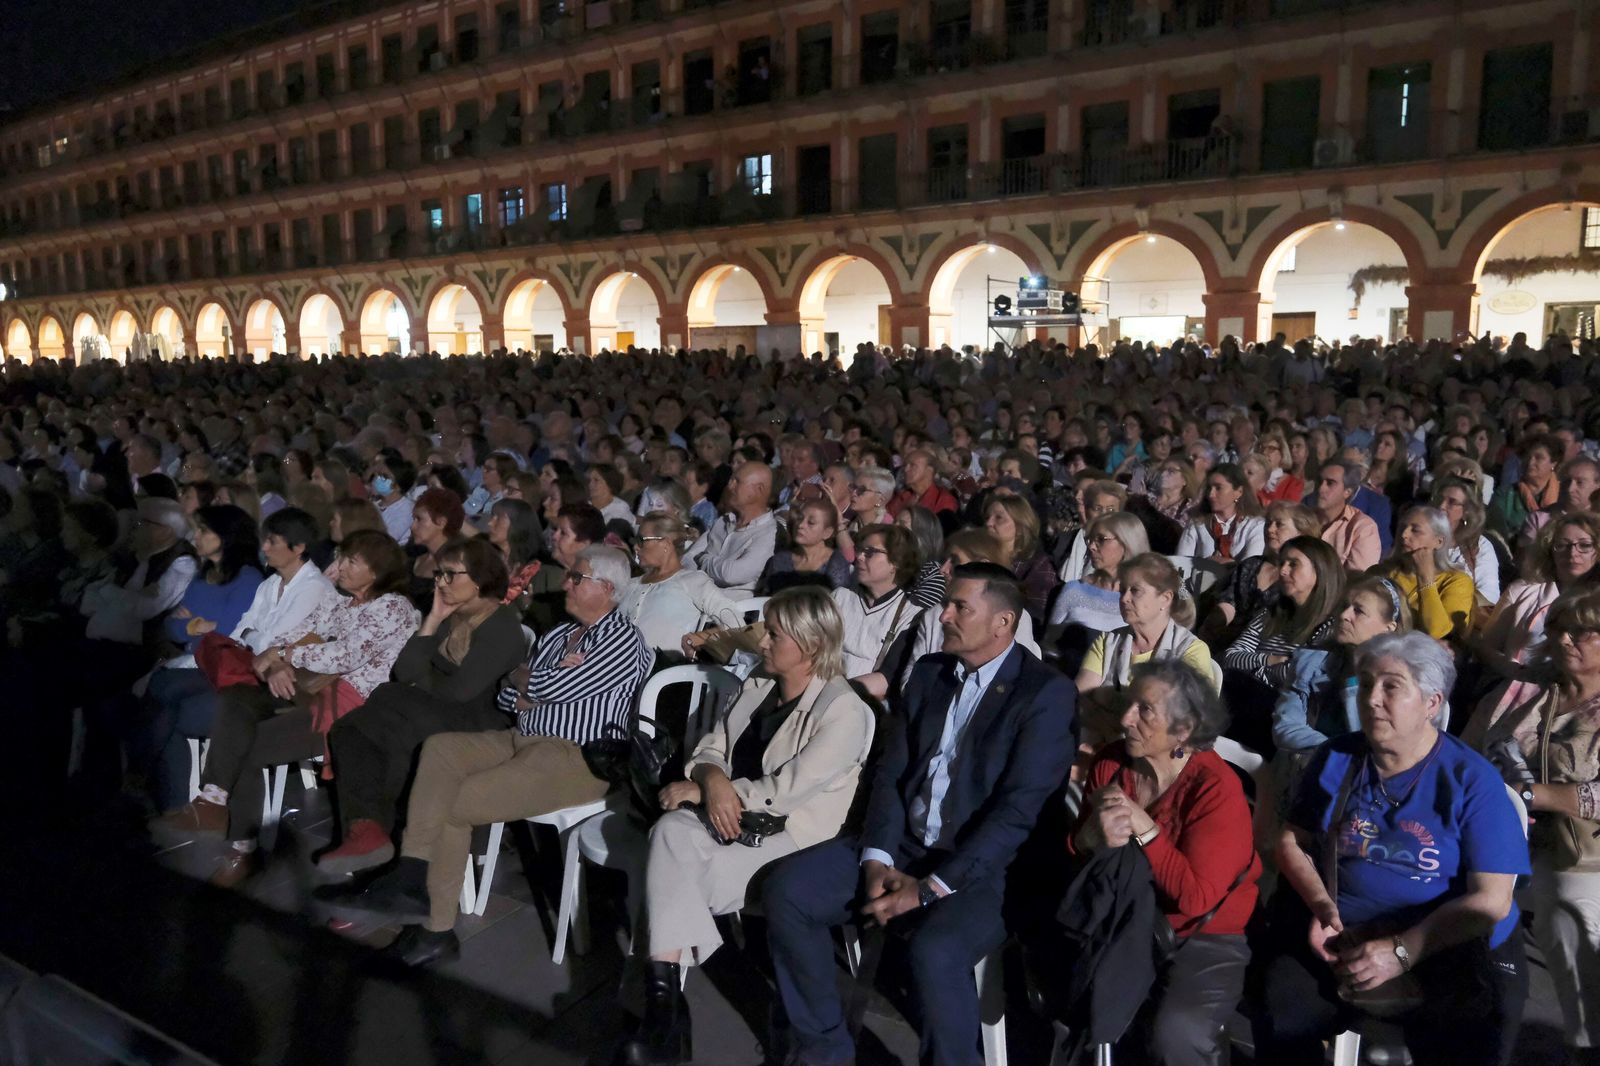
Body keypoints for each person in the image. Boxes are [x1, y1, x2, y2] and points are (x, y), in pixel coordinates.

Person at [762, 563, 1076, 1066]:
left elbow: (1017, 815)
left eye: (959, 607)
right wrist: (876, 857)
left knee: (935, 952)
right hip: (907, 844)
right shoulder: (930, 673)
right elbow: (892, 774)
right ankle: (823, 1047)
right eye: (946, 602)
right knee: (788, 890)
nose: (943, 614)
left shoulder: (1043, 694)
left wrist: (929, 887)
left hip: (991, 869)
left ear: (1003, 623)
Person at [339, 545, 652, 966]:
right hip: (520, 737)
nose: (566, 583)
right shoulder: (559, 635)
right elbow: (509, 692)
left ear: (607, 588)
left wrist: (534, 682)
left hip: (575, 757)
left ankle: (435, 930)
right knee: (441, 748)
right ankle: (412, 873)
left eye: (577, 578)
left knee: (455, 804)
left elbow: (548, 690)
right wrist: (536, 682)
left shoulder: (623, 638)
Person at [621, 587, 876, 1065]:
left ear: (811, 645)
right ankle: (664, 1011)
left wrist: (716, 790)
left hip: (789, 839)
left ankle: (659, 1018)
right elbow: (709, 747)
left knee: (668, 874)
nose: (760, 644)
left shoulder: (843, 709)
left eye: (773, 635)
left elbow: (787, 790)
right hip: (729, 817)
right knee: (669, 834)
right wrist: (712, 778)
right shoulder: (759, 683)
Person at [1256, 632, 1530, 1066]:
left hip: (1442, 940)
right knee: (1281, 1014)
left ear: (1432, 703)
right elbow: (1291, 840)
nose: (1372, 699)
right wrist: (1322, 907)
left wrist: (1403, 951)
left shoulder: (1470, 780)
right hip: (1343, 933)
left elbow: (1491, 901)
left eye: (1391, 686)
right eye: (1365, 684)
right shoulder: (1337, 758)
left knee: (1464, 1040)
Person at [156, 530, 420, 887]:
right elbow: (292, 635)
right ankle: (213, 801)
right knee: (237, 697)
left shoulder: (392, 607)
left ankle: (241, 851)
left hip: (347, 705)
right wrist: (279, 659)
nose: (338, 567)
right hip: (306, 687)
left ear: (377, 571)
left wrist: (286, 655)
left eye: (350, 562)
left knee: (247, 744)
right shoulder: (342, 602)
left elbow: (346, 655)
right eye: (340, 557)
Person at [1071, 660, 1260, 1065]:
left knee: (1177, 1035)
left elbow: (1196, 898)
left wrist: (1146, 829)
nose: (1125, 718)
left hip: (1201, 936)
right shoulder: (1111, 765)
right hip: (1120, 919)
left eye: (1145, 710)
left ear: (1184, 730)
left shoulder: (1215, 789)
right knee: (1080, 1004)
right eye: (1128, 703)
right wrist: (1085, 839)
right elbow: (1075, 862)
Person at [318, 538, 528, 874]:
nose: (440, 582)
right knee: (350, 731)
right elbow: (405, 670)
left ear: (479, 579)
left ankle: (374, 851)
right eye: (439, 575)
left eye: (450, 575)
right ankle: (366, 833)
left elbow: (461, 691)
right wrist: (432, 619)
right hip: (431, 712)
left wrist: (423, 676)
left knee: (389, 700)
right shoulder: (450, 617)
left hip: (478, 723)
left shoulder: (503, 626)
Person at [1476, 588, 1600, 1062]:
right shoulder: (1539, 689)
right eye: (1559, 629)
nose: (1566, 639)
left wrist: (1539, 794)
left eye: (1582, 631)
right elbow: (1491, 747)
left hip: (1582, 858)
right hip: (1519, 842)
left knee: (1571, 931)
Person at [131, 505, 265, 810]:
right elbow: (174, 625)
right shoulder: (205, 574)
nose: (196, 536)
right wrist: (198, 626)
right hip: (194, 662)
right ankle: (172, 802)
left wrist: (198, 625)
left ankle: (137, 777)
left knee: (164, 688)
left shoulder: (248, 578)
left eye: (205, 530)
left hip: (222, 667)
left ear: (227, 536)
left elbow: (230, 631)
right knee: (170, 709)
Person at [1466, 513, 1600, 727]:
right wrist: (1513, 670)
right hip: (1515, 692)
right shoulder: (1523, 590)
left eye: (1584, 545)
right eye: (1562, 545)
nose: (1572, 552)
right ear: (1550, 550)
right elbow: (1485, 647)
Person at [1076, 554, 1215, 751]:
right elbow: (1076, 700)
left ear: (1165, 599)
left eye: (1135, 591)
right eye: (1123, 590)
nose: (1124, 598)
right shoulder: (1108, 642)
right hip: (1102, 742)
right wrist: (1111, 730)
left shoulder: (1191, 651)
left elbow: (1175, 723)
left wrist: (1104, 703)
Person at [1273, 577, 1412, 758]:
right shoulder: (1311, 660)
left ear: (1388, 628)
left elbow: (1374, 748)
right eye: (1344, 606)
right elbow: (1286, 727)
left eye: (1358, 611)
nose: (1344, 615)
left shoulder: (1398, 684)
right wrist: (1337, 753)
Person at [1199, 501, 1323, 645]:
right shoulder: (1252, 564)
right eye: (1268, 523)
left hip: (1266, 646)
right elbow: (1229, 602)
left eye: (1279, 524)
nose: (1270, 529)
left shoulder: (1304, 576)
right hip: (1228, 638)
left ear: (1302, 532)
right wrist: (1214, 623)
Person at [622, 511, 743, 654]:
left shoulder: (692, 581)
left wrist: (701, 638)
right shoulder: (630, 584)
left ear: (666, 543)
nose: (636, 546)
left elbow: (735, 622)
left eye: (642, 540)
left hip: (662, 672)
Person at [1377, 506, 1476, 641]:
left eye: (1415, 530)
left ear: (1438, 542)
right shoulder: (1381, 572)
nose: (1404, 535)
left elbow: (1437, 632)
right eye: (1402, 528)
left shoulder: (1457, 581)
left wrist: (1425, 578)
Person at [1047, 512, 1151, 637]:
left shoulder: (1145, 598)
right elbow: (1048, 642)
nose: (1091, 546)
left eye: (1101, 539)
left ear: (1127, 543)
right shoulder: (1074, 590)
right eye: (1090, 539)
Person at [683, 462, 777, 596]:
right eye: (731, 480)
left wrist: (704, 560)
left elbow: (731, 575)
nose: (729, 486)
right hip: (695, 597)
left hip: (730, 610)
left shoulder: (769, 534)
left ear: (759, 489)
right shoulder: (723, 522)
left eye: (737, 482)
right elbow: (689, 558)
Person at [985, 494, 1058, 623]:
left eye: (999, 518)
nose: (988, 523)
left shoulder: (1038, 565)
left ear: (1019, 527)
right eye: (987, 517)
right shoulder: (977, 556)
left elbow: (1037, 614)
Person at [759, 497, 852, 593]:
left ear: (827, 532)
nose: (800, 525)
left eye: (811, 523)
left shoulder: (835, 562)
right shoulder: (779, 560)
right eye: (799, 519)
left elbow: (837, 602)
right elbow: (765, 597)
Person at [1176, 463, 1265, 563]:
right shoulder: (1197, 524)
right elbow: (1181, 564)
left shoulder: (1255, 526)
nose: (1211, 495)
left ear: (1239, 492)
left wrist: (1223, 564)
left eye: (1218, 488)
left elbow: (1250, 568)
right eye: (1209, 488)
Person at [1432, 476, 1499, 605]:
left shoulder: (1479, 545)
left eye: (1452, 502)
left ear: (1466, 512)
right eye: (1439, 499)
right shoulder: (1420, 534)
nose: (1441, 506)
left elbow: (1489, 597)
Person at [1314, 460, 1382, 573]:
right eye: (1319, 481)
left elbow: (1358, 581)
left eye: (1330, 483)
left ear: (1347, 492)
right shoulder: (1303, 518)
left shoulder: (1362, 528)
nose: (1321, 488)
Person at [1488, 432, 1560, 539]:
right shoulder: (1505, 494)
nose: (1530, 462)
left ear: (1553, 463)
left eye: (1539, 458)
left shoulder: (1564, 493)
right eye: (1527, 457)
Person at [407, 487, 466, 610]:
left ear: (441, 522)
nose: (412, 526)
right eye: (413, 519)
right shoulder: (411, 556)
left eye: (419, 519)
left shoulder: (458, 567)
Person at [485, 497, 543, 608]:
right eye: (493, 516)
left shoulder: (532, 568)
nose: (490, 523)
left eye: (499, 518)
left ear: (517, 525)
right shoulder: (487, 555)